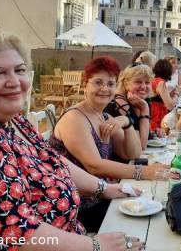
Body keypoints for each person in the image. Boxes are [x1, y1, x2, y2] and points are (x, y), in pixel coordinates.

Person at [0, 28, 144, 250]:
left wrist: (106, 189)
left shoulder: (14, 120)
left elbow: (51, 160)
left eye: (20, 70)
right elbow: (14, 233)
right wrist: (94, 245)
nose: (14, 81)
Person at [49, 56, 164, 231]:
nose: (105, 89)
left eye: (110, 84)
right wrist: (144, 172)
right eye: (98, 83)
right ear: (85, 84)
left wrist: (127, 122)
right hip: (77, 209)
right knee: (151, 222)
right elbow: (95, 165)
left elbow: (132, 154)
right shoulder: (75, 118)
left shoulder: (103, 116)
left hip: (102, 197)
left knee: (157, 208)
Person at [109, 65, 153, 149]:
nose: (143, 86)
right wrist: (144, 110)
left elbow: (144, 132)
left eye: (147, 82)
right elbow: (140, 145)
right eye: (138, 82)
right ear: (126, 84)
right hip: (121, 160)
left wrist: (155, 132)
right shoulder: (120, 104)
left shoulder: (144, 101)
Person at [150, 59, 177, 131]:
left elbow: (157, 96)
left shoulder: (154, 80)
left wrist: (170, 94)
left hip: (152, 111)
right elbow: (170, 106)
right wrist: (177, 93)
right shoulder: (161, 83)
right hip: (158, 114)